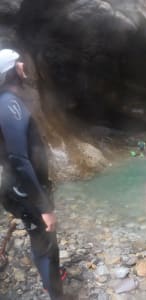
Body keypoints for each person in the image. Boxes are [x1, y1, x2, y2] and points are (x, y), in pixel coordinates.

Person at [0, 49, 66, 299]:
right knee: (48, 243)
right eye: (17, 61)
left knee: (41, 240)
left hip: (20, 190)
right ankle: (56, 294)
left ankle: (51, 282)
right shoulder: (9, 105)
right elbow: (18, 159)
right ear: (9, 71)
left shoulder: (8, 102)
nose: (22, 64)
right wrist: (44, 206)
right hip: (26, 191)